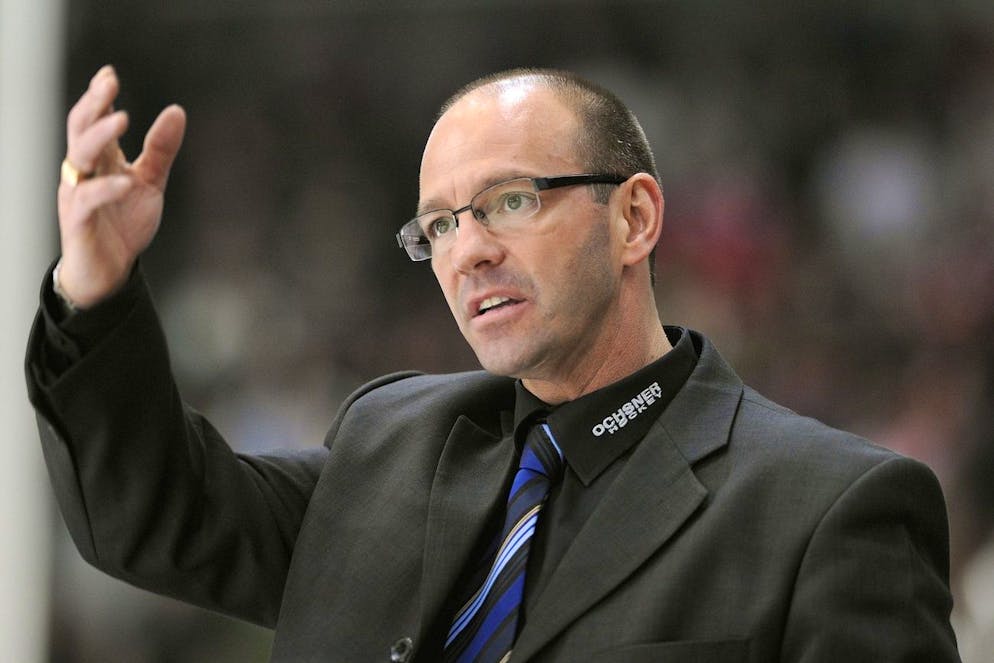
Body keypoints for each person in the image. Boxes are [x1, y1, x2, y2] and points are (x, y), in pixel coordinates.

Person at [26, 65, 960, 662]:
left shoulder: (826, 511)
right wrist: (94, 286)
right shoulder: (391, 444)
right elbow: (155, 515)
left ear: (634, 218)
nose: (467, 251)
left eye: (510, 201)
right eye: (438, 225)